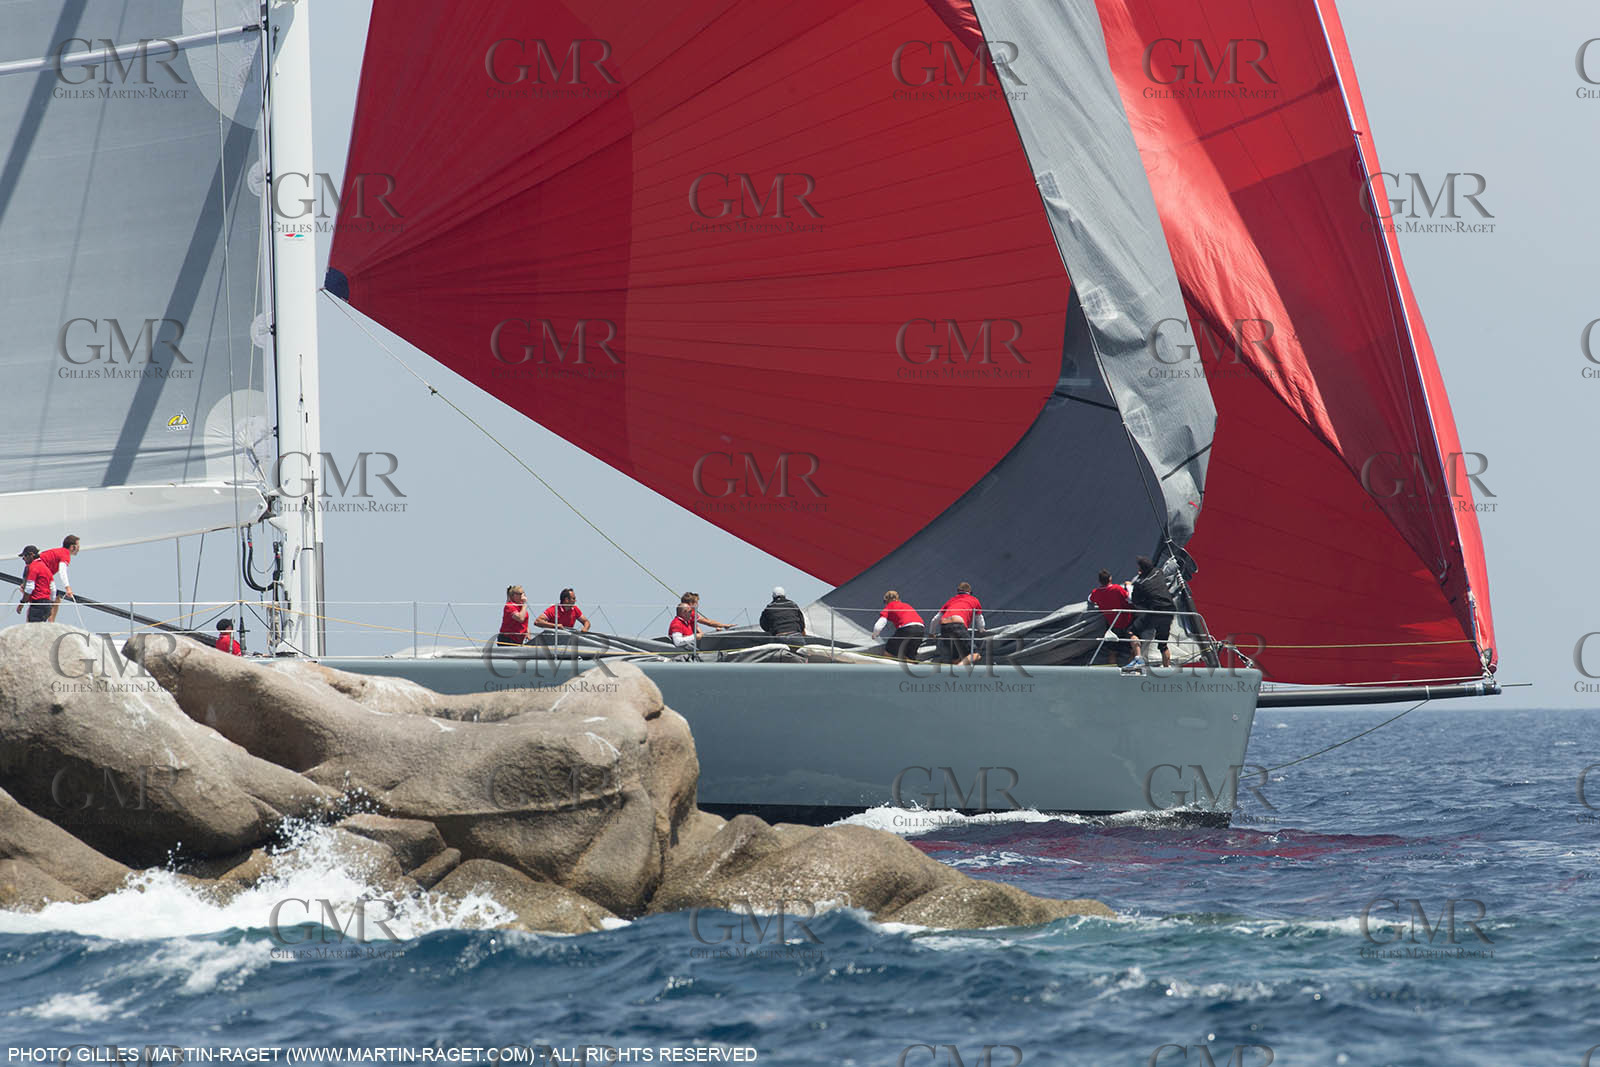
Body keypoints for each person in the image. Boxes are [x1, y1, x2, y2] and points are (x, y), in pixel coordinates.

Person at [1128, 556, 1176, 670]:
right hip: (1169, 611)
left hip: (1155, 612)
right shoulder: (1158, 572)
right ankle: (1166, 668)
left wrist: (1131, 586)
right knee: (1163, 645)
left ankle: (1139, 659)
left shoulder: (1140, 583)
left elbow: (1135, 601)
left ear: (1141, 569)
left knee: (1132, 631)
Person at [1087, 569, 1135, 666]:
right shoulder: (1117, 589)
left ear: (1099, 581)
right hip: (1127, 621)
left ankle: (1112, 671)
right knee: (1133, 647)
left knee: (1112, 651)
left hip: (1112, 625)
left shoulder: (1096, 592)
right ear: (1110, 578)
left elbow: (1090, 598)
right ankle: (1132, 669)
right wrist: (1129, 586)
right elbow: (1130, 598)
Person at [936, 581, 985, 666]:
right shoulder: (974, 600)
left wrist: (931, 634)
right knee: (975, 655)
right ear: (970, 592)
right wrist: (981, 629)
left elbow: (935, 619)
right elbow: (979, 618)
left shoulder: (951, 600)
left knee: (955, 658)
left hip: (944, 627)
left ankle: (956, 668)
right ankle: (958, 669)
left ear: (958, 591)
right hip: (957, 626)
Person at [872, 590, 925, 662]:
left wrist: (875, 634)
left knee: (889, 652)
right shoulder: (906, 605)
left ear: (887, 601)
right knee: (910, 656)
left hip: (907, 628)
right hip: (920, 629)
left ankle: (886, 671)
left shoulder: (889, 606)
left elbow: (879, 624)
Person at [38, 535, 80, 622]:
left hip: (36, 572)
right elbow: (62, 571)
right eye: (78, 546)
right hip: (40, 574)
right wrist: (67, 588)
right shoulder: (65, 554)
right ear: (72, 547)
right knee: (53, 599)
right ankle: (51, 624)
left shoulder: (59, 552)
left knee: (51, 599)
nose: (79, 549)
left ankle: (49, 622)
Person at [15, 546, 53, 623]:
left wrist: (21, 603)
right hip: (47, 604)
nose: (23, 558)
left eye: (25, 556)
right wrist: (50, 603)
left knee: (34, 630)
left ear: (31, 555)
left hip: (38, 605)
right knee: (40, 629)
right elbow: (53, 588)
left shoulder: (33, 567)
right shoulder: (45, 567)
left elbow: (29, 588)